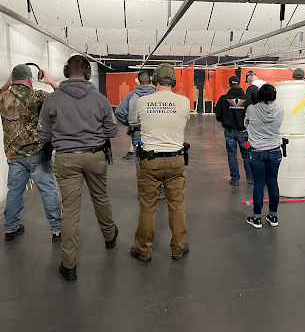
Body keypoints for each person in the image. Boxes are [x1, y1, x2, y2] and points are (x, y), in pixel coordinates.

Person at [37, 55, 118, 281]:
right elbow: (112, 131)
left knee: (70, 210)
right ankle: (110, 237)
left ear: (65, 71)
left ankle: (69, 264)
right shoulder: (100, 99)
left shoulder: (52, 100)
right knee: (100, 198)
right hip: (94, 157)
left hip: (65, 159)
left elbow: (43, 134)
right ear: (88, 73)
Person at [130, 63, 190, 262]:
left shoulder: (142, 101)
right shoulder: (184, 101)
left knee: (147, 207)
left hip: (150, 162)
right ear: (173, 81)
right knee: (177, 206)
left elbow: (136, 122)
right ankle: (178, 248)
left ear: (155, 80)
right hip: (175, 161)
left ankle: (143, 250)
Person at [0, 64, 61, 242]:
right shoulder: (38, 96)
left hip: (13, 155)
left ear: (12, 79)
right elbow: (62, 99)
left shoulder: (3, 97)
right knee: (48, 190)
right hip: (37, 153)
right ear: (30, 79)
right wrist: (50, 82)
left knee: (14, 192)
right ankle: (57, 229)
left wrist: (6, 84)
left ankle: (10, 228)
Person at [245, 84, 284, 228]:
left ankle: (256, 218)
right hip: (274, 150)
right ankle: (273, 216)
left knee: (259, 184)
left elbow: (246, 124)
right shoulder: (280, 110)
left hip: (256, 152)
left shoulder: (251, 109)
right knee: (273, 183)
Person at [216, 76, 253, 185]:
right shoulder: (247, 99)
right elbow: (251, 115)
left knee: (232, 156)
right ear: (239, 84)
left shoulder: (223, 99)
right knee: (247, 156)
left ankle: (235, 180)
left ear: (229, 85)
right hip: (244, 132)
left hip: (229, 132)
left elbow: (218, 116)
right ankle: (250, 178)